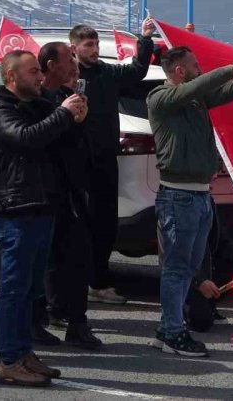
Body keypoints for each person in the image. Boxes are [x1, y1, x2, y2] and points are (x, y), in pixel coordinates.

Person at [147, 46, 233, 356]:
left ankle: (168, 328)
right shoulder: (160, 99)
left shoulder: (195, 99)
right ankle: (172, 332)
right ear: (180, 72)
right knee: (176, 268)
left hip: (199, 195)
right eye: (195, 66)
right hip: (178, 197)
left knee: (186, 269)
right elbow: (201, 86)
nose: (200, 70)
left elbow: (224, 93)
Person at [0, 50, 87, 387]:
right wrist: (62, 114)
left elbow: (59, 136)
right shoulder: (0, 110)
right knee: (13, 289)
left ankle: (24, 352)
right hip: (17, 209)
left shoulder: (35, 105)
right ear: (11, 77)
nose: (39, 77)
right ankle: (10, 359)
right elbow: (27, 139)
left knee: (30, 289)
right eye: (32, 72)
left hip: (43, 206)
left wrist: (75, 117)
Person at [70, 21, 154, 304]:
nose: (94, 50)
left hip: (105, 159)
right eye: (88, 45)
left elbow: (136, 72)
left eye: (95, 44)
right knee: (75, 227)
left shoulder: (107, 72)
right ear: (74, 48)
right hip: (74, 162)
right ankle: (70, 286)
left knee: (104, 225)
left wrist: (144, 40)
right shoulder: (66, 76)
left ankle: (99, 282)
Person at [34, 42, 102, 349]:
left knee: (78, 257)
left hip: (73, 192)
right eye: (67, 61)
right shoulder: (36, 102)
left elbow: (78, 145)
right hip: (42, 194)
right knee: (41, 261)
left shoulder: (67, 97)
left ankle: (77, 322)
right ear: (50, 66)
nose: (74, 67)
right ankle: (38, 320)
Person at [183, 202, 233, 332]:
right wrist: (199, 280)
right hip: (188, 272)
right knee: (201, 322)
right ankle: (182, 310)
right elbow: (179, 254)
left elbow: (222, 239)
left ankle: (209, 304)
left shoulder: (207, 202)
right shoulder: (182, 206)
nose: (214, 180)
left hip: (203, 265)